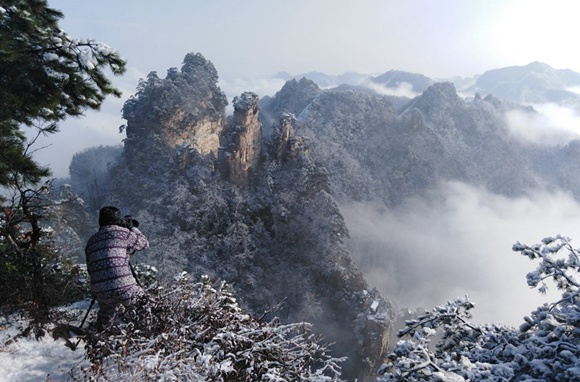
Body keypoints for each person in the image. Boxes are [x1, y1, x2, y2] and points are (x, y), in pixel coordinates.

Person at [85, 206, 149, 330]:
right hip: (123, 285)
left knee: (106, 312)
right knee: (143, 308)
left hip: (100, 288)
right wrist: (133, 228)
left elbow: (90, 268)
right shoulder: (122, 233)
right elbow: (144, 244)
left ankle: (101, 337)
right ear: (117, 220)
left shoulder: (91, 241)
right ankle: (146, 335)